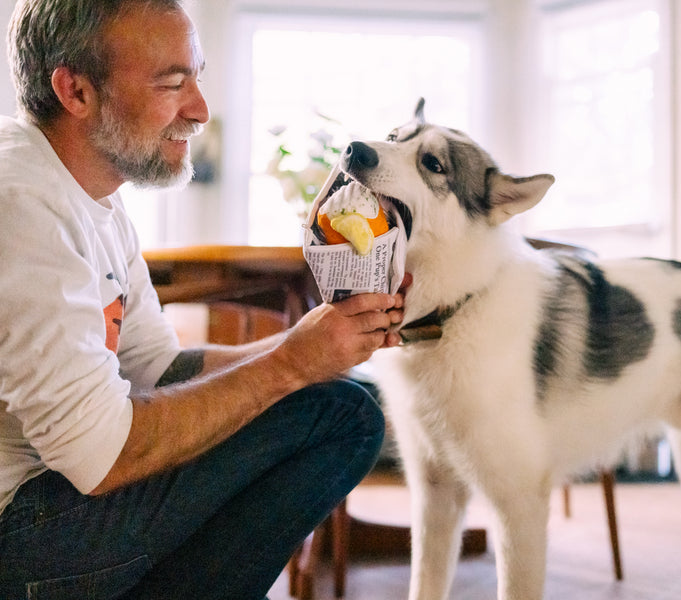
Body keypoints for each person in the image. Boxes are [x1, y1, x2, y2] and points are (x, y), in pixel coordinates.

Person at [0, 1, 405, 598]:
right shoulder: (24, 206)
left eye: (197, 76)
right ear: (76, 90)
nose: (200, 109)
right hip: (16, 529)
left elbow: (158, 370)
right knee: (341, 416)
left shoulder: (93, 195)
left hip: (54, 494)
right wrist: (290, 364)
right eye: (171, 83)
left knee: (340, 394)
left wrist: (317, 345)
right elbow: (103, 458)